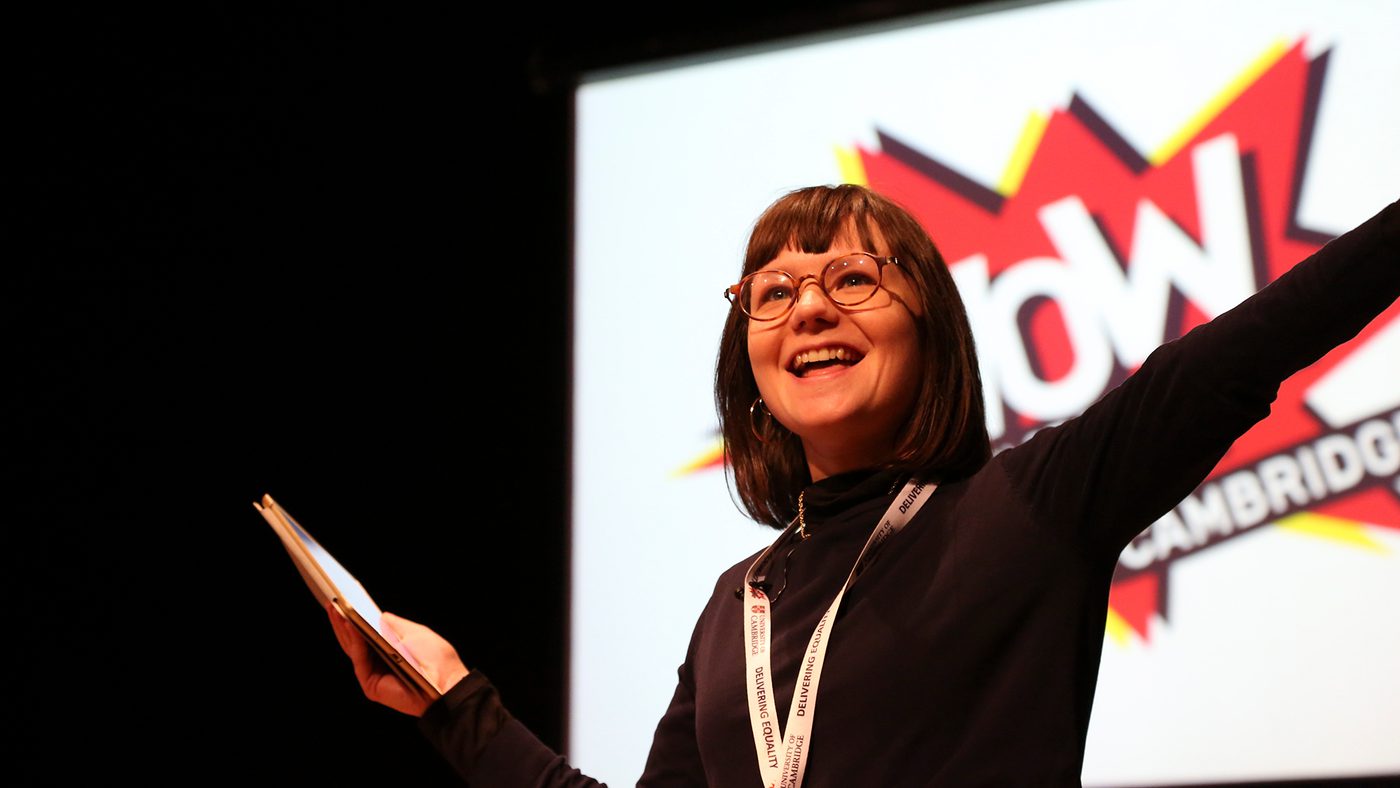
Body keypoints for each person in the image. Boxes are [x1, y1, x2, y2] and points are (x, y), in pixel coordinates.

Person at [327, 183, 1400, 786]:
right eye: (773, 289)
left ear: (926, 324)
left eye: (851, 278)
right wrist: (453, 699)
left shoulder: (1029, 507)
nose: (807, 307)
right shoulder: (736, 603)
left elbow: (1240, 352)